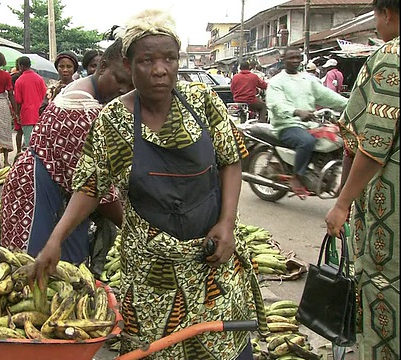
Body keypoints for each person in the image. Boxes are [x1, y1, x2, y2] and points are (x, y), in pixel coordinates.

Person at [31, 10, 264, 360]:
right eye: (147, 60)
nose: (160, 69)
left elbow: (231, 160)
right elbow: (90, 187)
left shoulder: (202, 102)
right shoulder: (113, 119)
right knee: (155, 351)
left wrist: (227, 223)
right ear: (128, 64)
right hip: (152, 272)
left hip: (211, 258)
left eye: (169, 58)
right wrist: (55, 239)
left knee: (222, 349)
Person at [1, 38, 133, 262]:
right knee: (33, 272)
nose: (124, 90)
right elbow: (97, 187)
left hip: (58, 189)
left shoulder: (84, 91)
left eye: (131, 86)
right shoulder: (81, 109)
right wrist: (133, 230)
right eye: (120, 80)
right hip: (37, 193)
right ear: (102, 67)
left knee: (67, 276)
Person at [325, 1, 399, 359]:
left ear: (385, 12)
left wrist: (342, 203)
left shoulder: (390, 57)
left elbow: (372, 145)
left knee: (384, 293)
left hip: (391, 211)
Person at [265, 47, 348, 198]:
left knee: (336, 137)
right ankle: (297, 178)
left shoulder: (308, 80)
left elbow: (327, 96)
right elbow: (276, 104)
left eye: (298, 57)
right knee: (306, 141)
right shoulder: (276, 82)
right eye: (291, 58)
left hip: (309, 124)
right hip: (287, 125)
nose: (295, 60)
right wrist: (296, 111)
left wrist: (350, 104)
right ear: (283, 60)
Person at [14, 56, 47, 149]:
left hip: (26, 114)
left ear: (21, 66)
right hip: (40, 114)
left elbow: (18, 101)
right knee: (40, 141)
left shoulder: (19, 81)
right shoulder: (39, 79)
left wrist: (17, 114)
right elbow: (45, 96)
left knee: (29, 142)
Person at [11, 60, 24, 154]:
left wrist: (15, 111)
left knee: (19, 131)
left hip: (16, 106)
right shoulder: (35, 77)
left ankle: (18, 151)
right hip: (29, 107)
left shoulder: (14, 77)